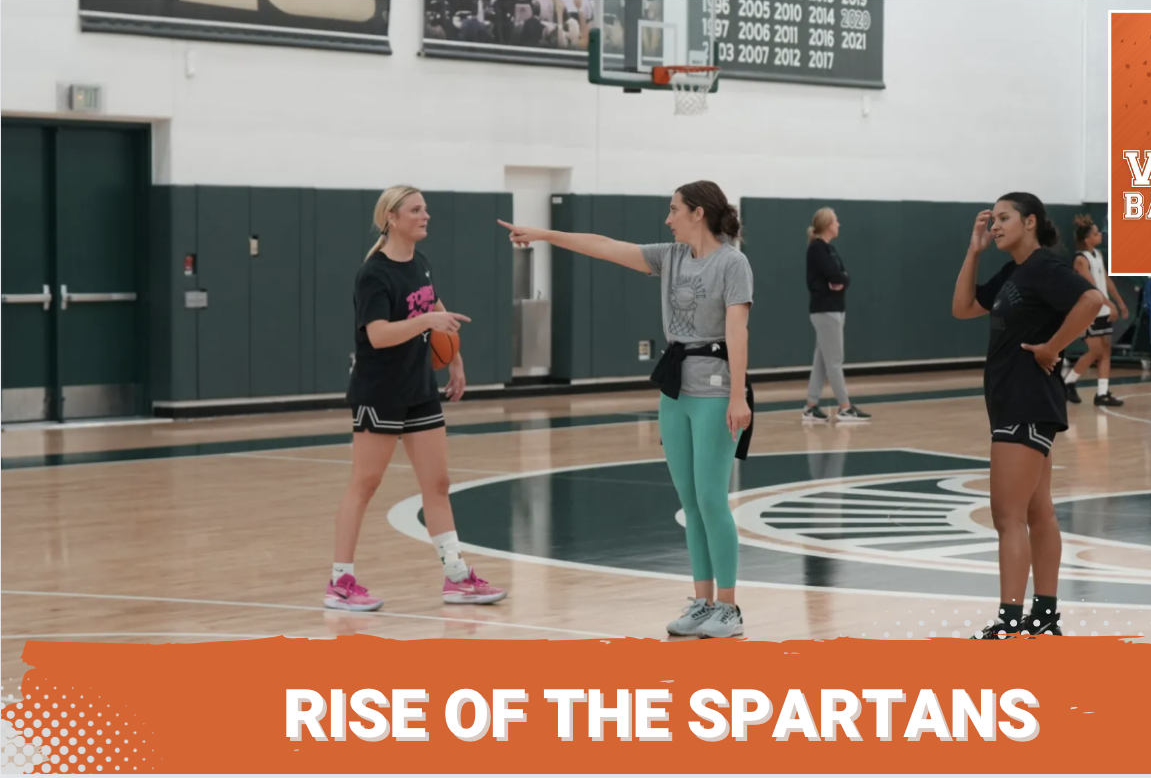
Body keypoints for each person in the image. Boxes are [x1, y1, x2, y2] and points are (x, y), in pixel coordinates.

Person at [498, 180, 754, 639]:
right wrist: (544, 233)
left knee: (713, 499)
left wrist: (738, 395)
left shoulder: (733, 263)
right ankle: (702, 601)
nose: (667, 218)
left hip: (716, 390)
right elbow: (605, 247)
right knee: (690, 502)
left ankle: (729, 609)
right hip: (675, 390)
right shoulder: (670, 256)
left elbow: (738, 331)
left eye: (674, 210)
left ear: (698, 213)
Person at [325, 186, 508, 613]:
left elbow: (435, 306)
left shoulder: (420, 264)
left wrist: (455, 358)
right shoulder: (375, 273)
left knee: (438, 486)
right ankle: (339, 582)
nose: (425, 215)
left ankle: (458, 577)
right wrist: (426, 320)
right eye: (416, 209)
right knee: (365, 485)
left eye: (425, 208)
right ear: (392, 217)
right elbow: (378, 334)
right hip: (380, 391)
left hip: (419, 389)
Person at [951, 193, 1104, 639]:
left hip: (1026, 402)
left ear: (1030, 221)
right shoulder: (1014, 273)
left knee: (1007, 516)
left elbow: (1092, 301)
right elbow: (963, 308)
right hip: (1017, 404)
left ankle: (1009, 621)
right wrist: (973, 250)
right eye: (992, 219)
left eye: (1004, 218)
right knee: (1038, 513)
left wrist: (1053, 347)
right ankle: (1044, 617)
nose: (995, 225)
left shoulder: (1045, 267)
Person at [803, 207, 870, 424]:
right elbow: (834, 274)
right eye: (836, 221)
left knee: (822, 361)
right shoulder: (817, 249)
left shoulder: (829, 248)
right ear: (827, 224)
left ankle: (811, 407)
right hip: (825, 310)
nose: (839, 224)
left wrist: (841, 279)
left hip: (834, 309)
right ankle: (845, 407)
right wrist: (838, 278)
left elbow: (844, 276)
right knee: (835, 361)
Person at [1063, 215, 1127, 406]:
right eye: (1096, 233)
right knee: (1095, 350)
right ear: (1086, 239)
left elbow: (1105, 280)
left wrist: (1120, 301)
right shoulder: (1080, 260)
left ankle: (1102, 393)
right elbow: (1092, 287)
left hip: (1103, 309)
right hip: (1089, 310)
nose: (1100, 235)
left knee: (1105, 350)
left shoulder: (1097, 255)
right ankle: (1068, 382)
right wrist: (1110, 304)